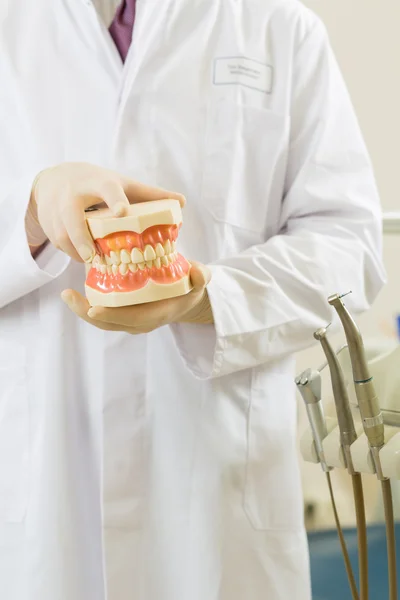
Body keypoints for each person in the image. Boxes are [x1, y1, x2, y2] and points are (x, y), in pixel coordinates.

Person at [0, 1, 386, 599]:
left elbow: (348, 245)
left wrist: (212, 297)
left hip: (217, 502)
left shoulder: (277, 26)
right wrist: (25, 215)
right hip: (38, 502)